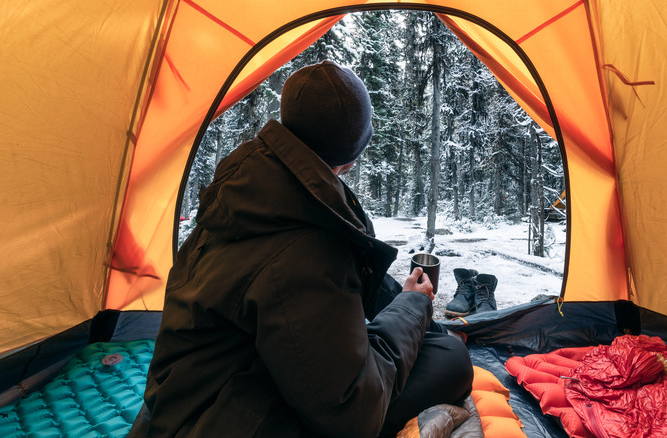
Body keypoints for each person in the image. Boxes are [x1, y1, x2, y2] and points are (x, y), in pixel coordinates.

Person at [130, 60, 473, 438]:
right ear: (352, 154)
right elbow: (353, 412)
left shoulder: (246, 189)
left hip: (178, 402)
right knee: (451, 359)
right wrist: (412, 307)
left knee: (419, 331)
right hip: (216, 421)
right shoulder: (310, 242)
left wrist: (403, 302)